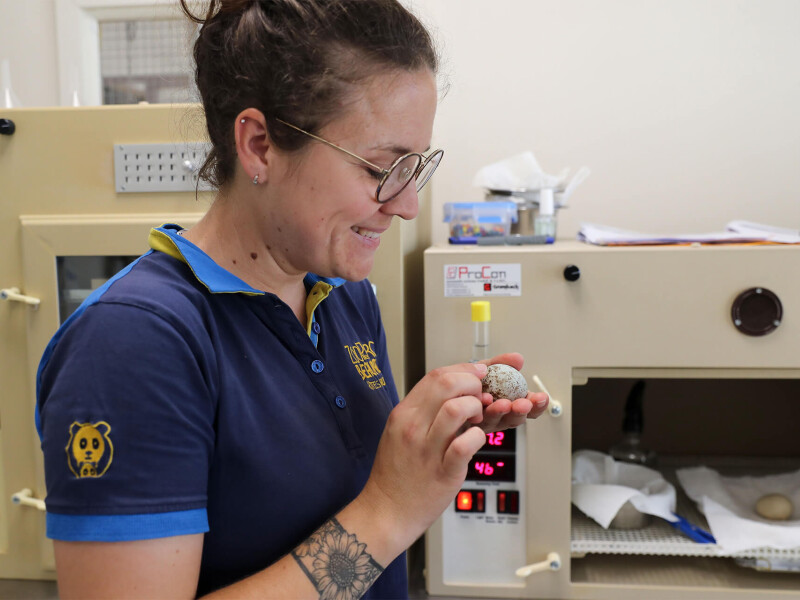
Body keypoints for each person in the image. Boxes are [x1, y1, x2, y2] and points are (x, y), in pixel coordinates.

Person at [35, 0, 550, 598]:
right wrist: (389, 511)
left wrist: (429, 451)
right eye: (382, 168)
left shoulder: (342, 295)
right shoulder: (135, 343)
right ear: (259, 146)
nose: (407, 204)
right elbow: (376, 519)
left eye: (418, 166)